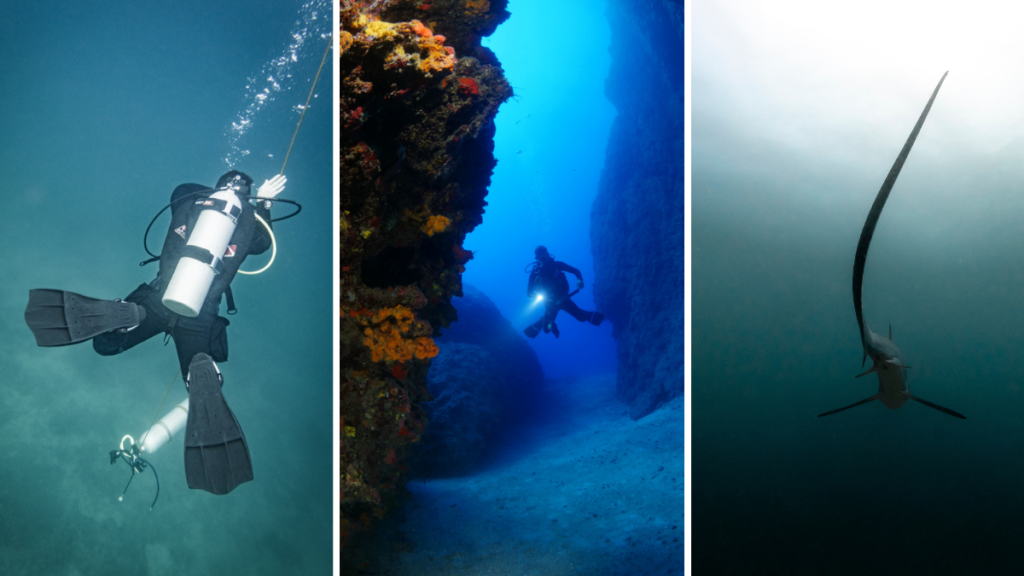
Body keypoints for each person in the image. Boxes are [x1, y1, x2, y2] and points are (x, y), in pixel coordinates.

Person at [24, 170, 286, 495]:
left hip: (158, 298)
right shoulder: (247, 223)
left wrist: (217, 195)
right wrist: (263, 206)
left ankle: (126, 317)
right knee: (197, 375)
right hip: (201, 314)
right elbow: (262, 246)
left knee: (105, 347)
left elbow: (180, 189)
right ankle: (201, 372)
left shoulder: (192, 202)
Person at [524, 245, 604, 339]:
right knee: (547, 330)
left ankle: (580, 312)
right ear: (536, 259)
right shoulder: (534, 273)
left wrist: (579, 280)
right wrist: (538, 295)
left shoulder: (557, 265)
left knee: (582, 319)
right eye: (540, 257)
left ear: (548, 255)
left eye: (544, 256)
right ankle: (547, 321)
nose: (543, 259)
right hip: (550, 305)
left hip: (565, 299)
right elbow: (529, 292)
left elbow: (575, 271)